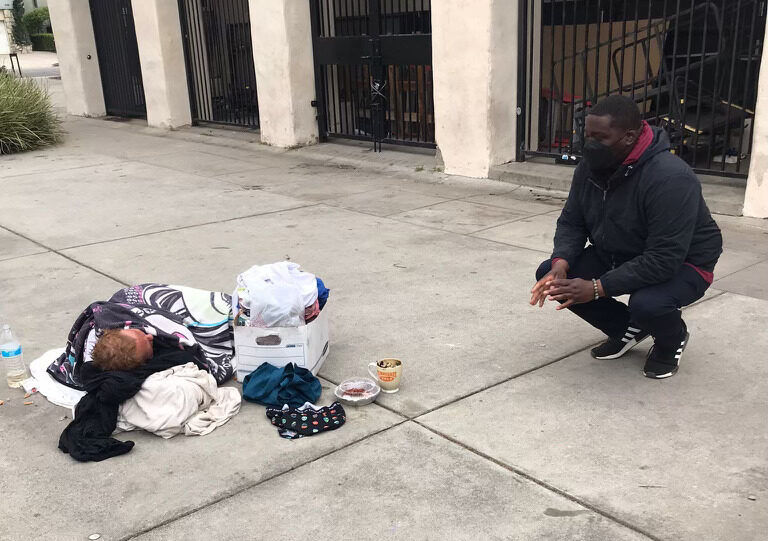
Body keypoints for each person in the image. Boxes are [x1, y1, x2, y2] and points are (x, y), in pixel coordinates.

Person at [530, 95, 722, 379]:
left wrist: (597, 287)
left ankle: (671, 340)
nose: (590, 144)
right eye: (588, 135)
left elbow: (663, 258)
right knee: (552, 275)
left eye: (600, 137)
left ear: (629, 136)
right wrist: (561, 261)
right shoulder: (590, 167)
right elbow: (572, 220)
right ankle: (627, 329)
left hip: (685, 261)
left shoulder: (670, 178)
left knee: (647, 303)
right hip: (623, 249)